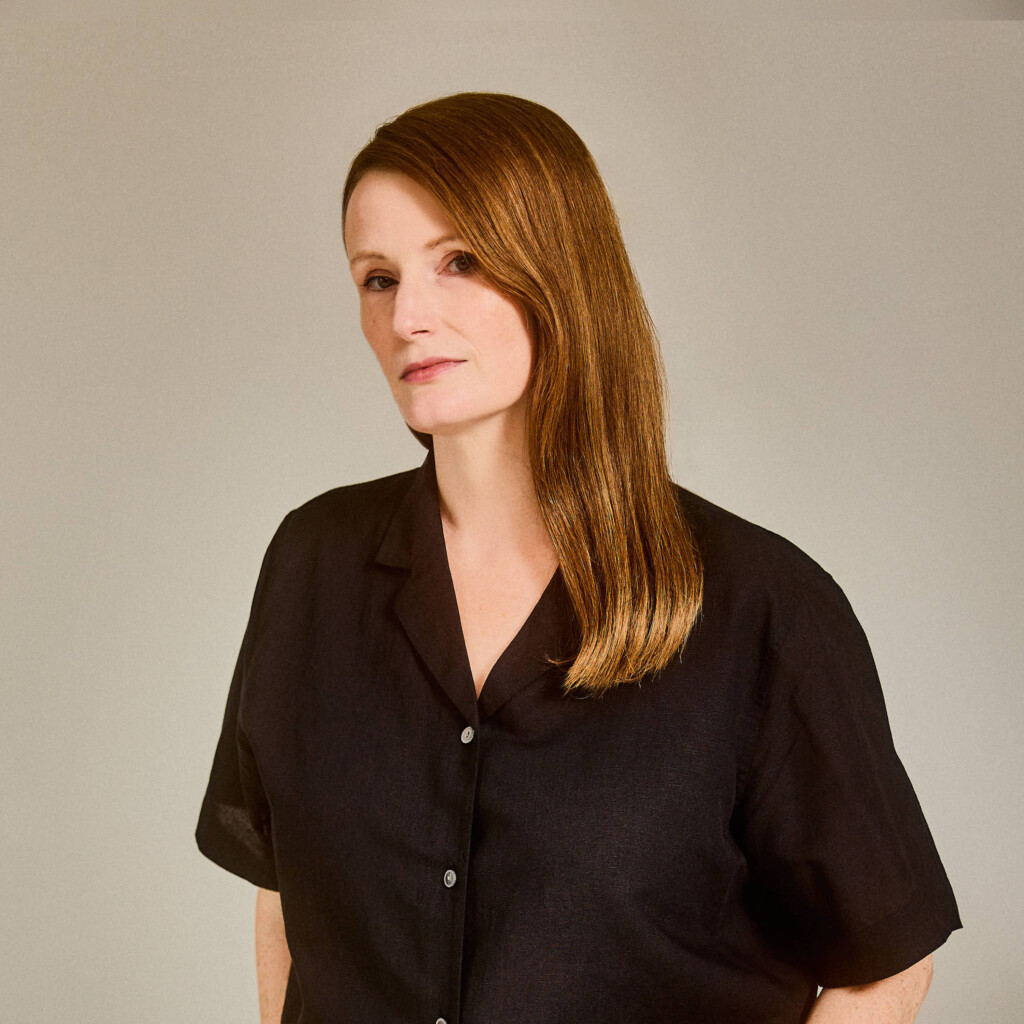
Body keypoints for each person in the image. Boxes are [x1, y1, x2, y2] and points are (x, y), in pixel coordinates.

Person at [195, 92, 961, 1024]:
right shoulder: (312, 563)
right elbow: (284, 891)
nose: (408, 318)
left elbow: (886, 962)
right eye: (378, 278)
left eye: (461, 262)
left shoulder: (762, 609)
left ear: (557, 272)